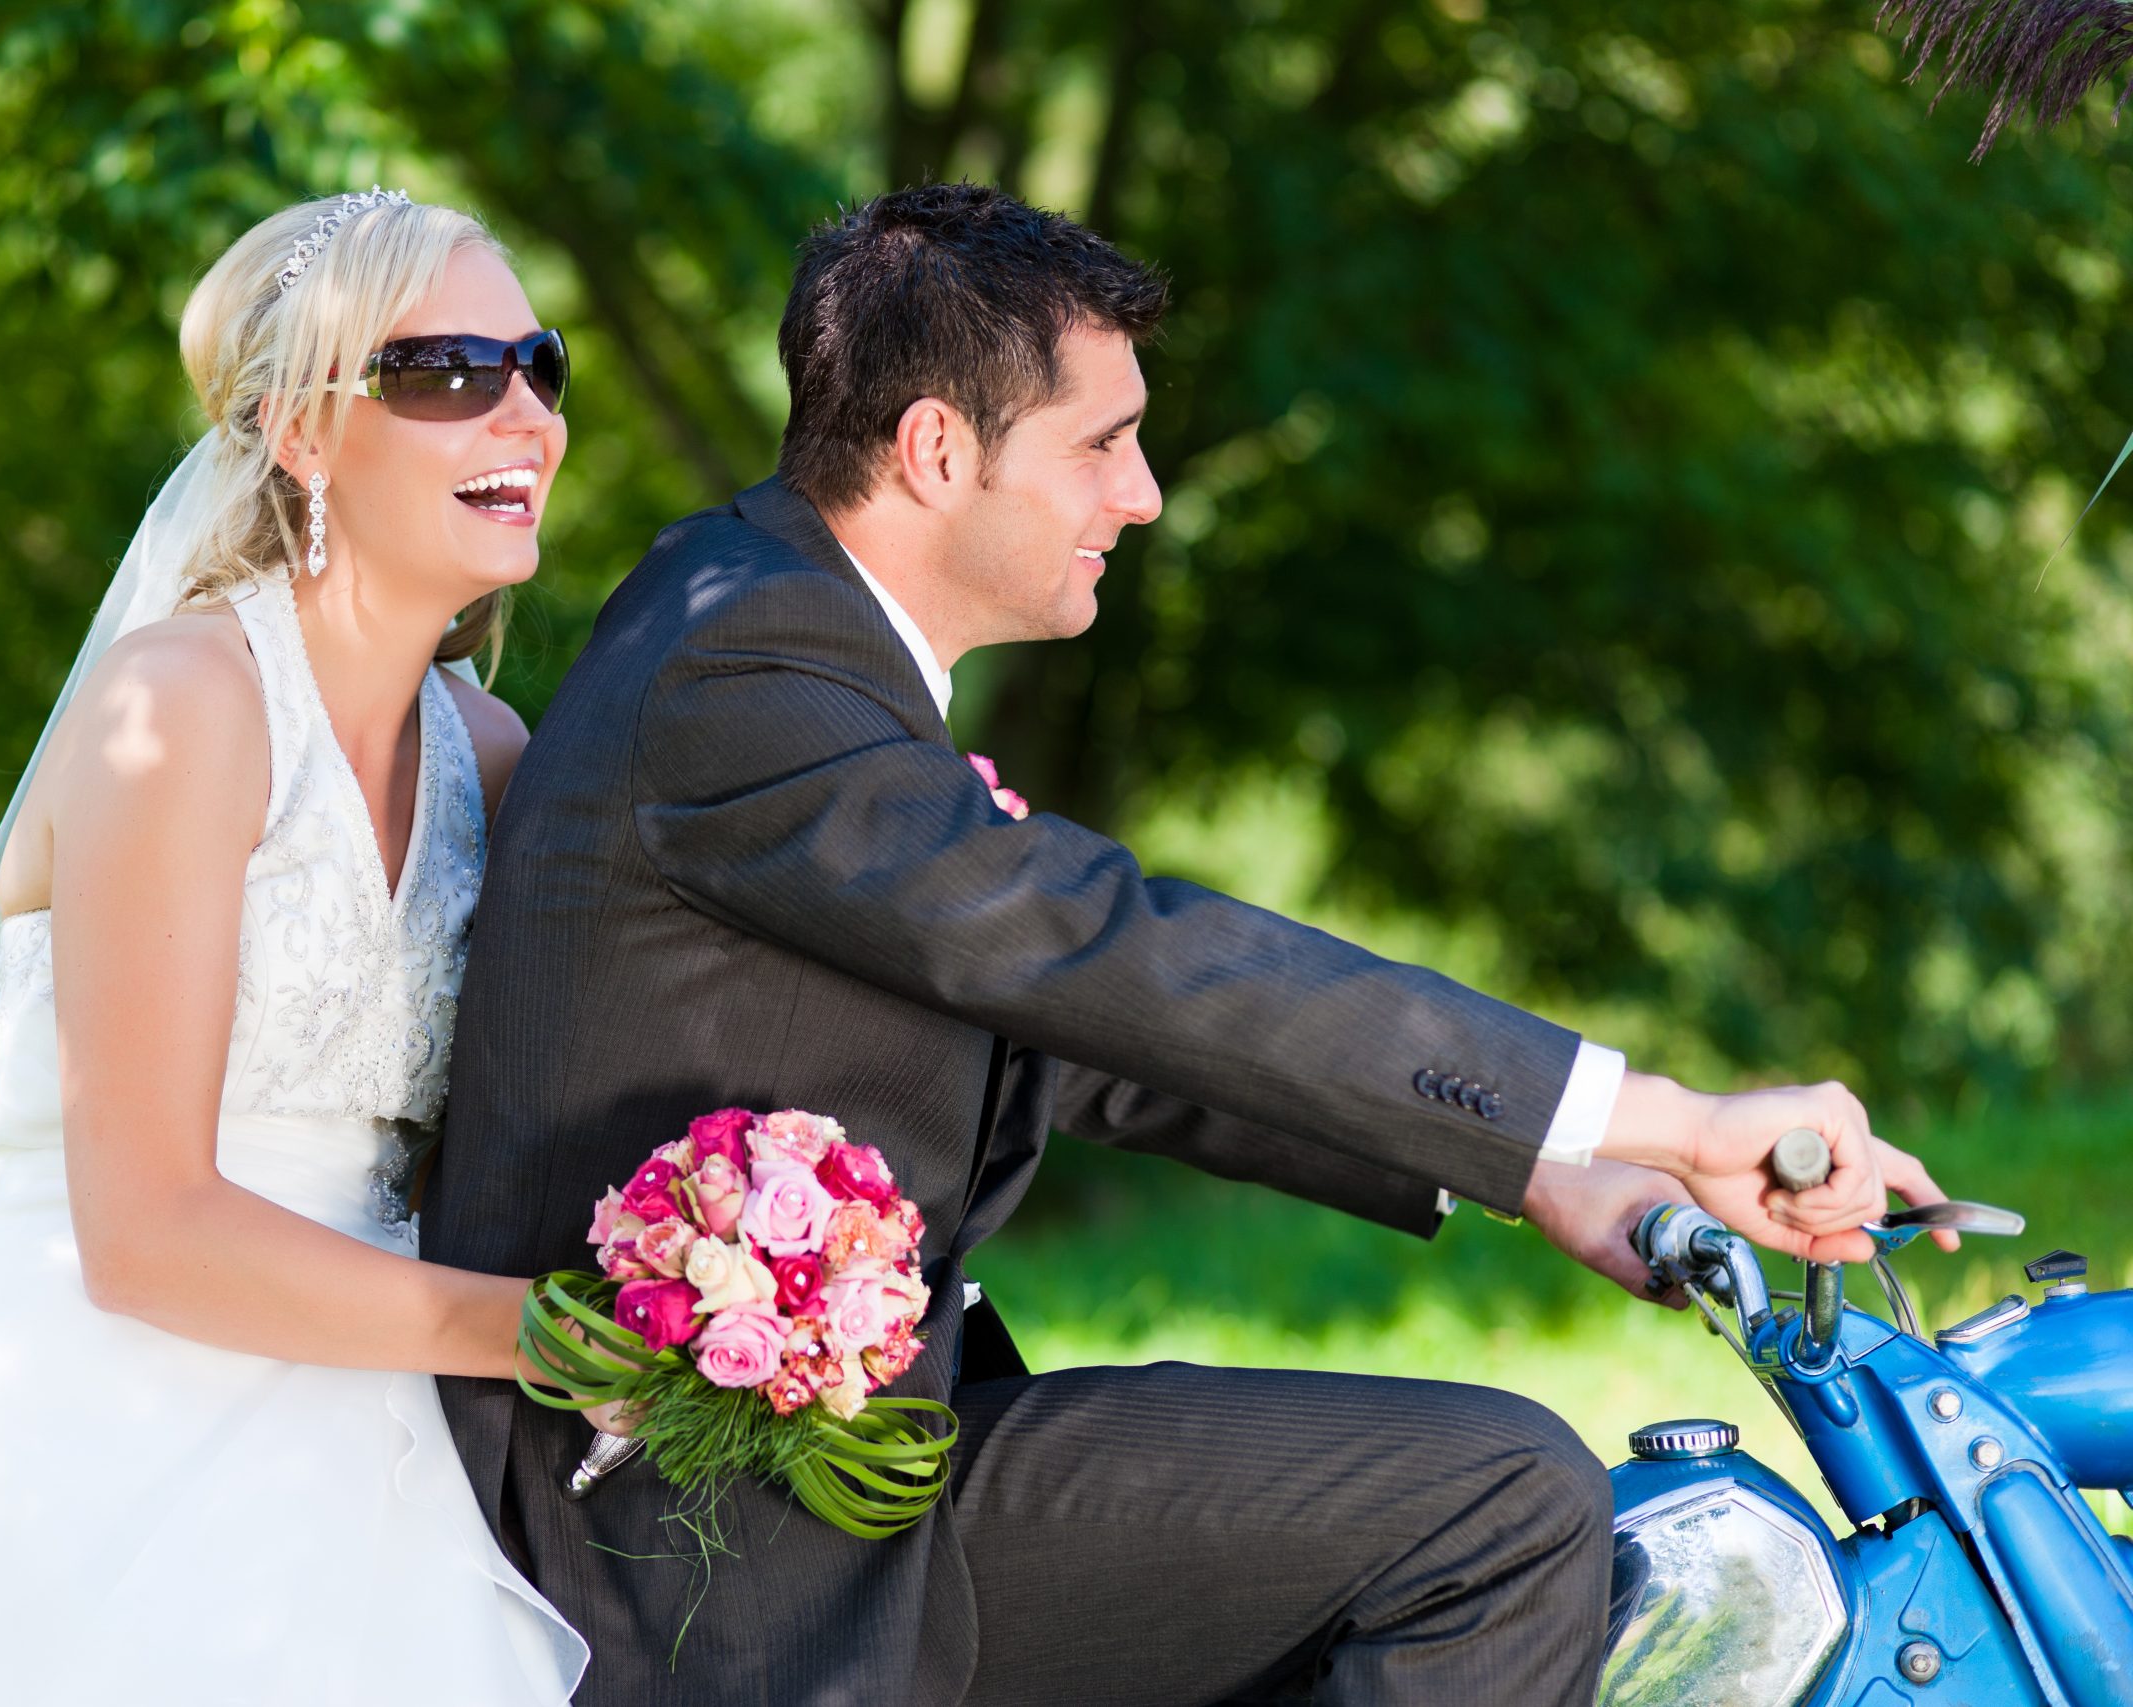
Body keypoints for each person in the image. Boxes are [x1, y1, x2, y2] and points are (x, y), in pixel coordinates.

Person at [420, 182, 1949, 1707]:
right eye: (1103, 441)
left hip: (859, 1463)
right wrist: (1670, 1118)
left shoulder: (767, 617)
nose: (1142, 493)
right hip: (718, 1542)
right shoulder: (746, 662)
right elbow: (1115, 955)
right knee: (1500, 1510)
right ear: (941, 449)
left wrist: (1553, 1174)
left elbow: (1067, 1033)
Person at [0, 191, 593, 1705]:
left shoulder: (490, 752)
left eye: (538, 364)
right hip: (110, 1427)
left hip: (390, 1419)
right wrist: (544, 1339)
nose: (525, 414)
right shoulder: (181, 705)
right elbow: (142, 1231)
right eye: (448, 373)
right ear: (299, 430)